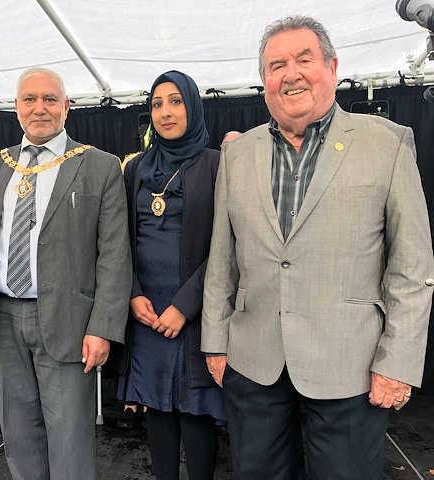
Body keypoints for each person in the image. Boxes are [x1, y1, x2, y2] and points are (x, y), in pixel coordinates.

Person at [201, 15, 434, 480]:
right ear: (264, 81)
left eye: (304, 59)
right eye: (276, 65)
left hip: (351, 362)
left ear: (332, 66)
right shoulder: (237, 154)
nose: (290, 73)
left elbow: (412, 266)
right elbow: (222, 259)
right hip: (254, 360)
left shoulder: (387, 144)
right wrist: (215, 341)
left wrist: (399, 361)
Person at [0, 66, 132, 480]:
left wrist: (103, 327)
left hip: (70, 321)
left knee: (70, 439)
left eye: (50, 99)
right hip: (3, 316)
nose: (40, 108)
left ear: (66, 107)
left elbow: (114, 254)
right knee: (18, 435)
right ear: (16, 107)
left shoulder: (99, 165)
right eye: (29, 99)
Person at [114, 70, 225, 480]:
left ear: (193, 106)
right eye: (157, 104)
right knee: (156, 405)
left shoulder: (217, 165)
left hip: (194, 312)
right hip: (145, 309)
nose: (165, 112)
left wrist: (184, 305)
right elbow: (119, 240)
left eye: (176, 101)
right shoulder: (136, 169)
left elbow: (227, 248)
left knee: (196, 410)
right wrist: (132, 292)